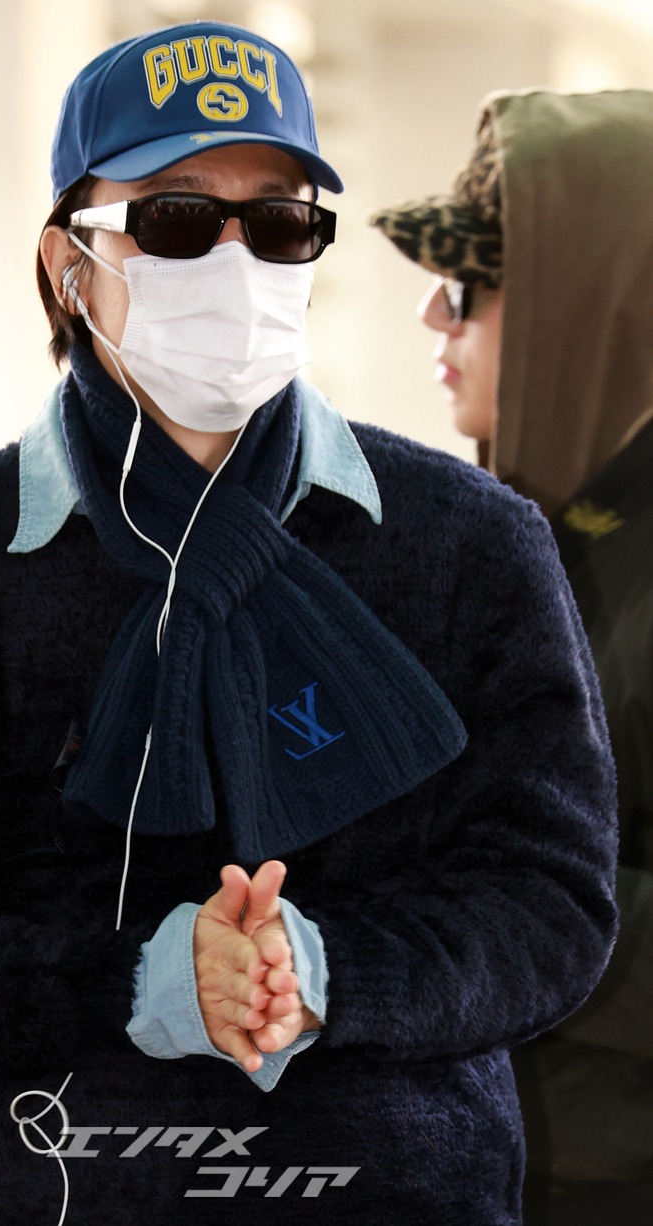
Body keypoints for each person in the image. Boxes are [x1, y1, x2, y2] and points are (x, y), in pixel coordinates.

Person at [0, 27, 619, 1226]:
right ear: (70, 262)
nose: (235, 261)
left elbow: (550, 903)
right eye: (174, 219)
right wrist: (147, 981)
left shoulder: (476, 543)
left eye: (277, 224)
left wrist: (324, 972)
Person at [370, 88, 653, 1223]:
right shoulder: (535, 540)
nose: (434, 319)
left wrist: (470, 887)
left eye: (470, 287)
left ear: (580, 307)